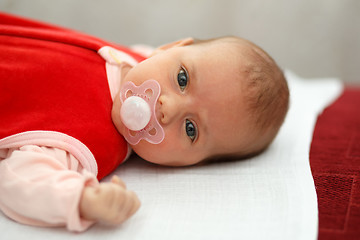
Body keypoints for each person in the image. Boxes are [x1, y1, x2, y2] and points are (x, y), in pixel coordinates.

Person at [0, 12, 289, 232]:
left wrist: (82, 199)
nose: (168, 108)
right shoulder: (138, 58)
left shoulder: (85, 145)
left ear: (191, 163)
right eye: (183, 79)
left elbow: (19, 180)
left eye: (191, 129)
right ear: (169, 48)